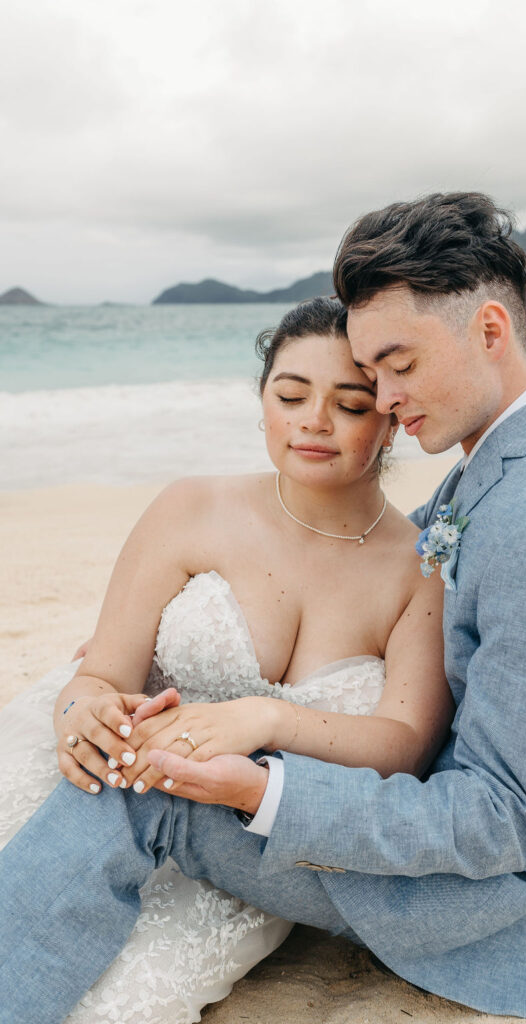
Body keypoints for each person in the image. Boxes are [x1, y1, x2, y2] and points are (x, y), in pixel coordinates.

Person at [1, 192, 526, 1024]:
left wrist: (259, 790)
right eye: (373, 374)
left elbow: (501, 822)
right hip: (430, 795)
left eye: (395, 366)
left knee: (145, 781)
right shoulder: (504, 465)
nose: (385, 396)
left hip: (484, 890)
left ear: (490, 332)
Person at [0, 295, 451, 1024]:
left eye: (350, 403)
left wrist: (268, 717)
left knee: (119, 1003)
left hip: (245, 846)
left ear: (393, 416)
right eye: (291, 395)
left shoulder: (418, 571)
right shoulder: (190, 508)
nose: (313, 420)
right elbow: (97, 675)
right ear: (263, 400)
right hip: (111, 782)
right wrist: (84, 717)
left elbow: (403, 745)